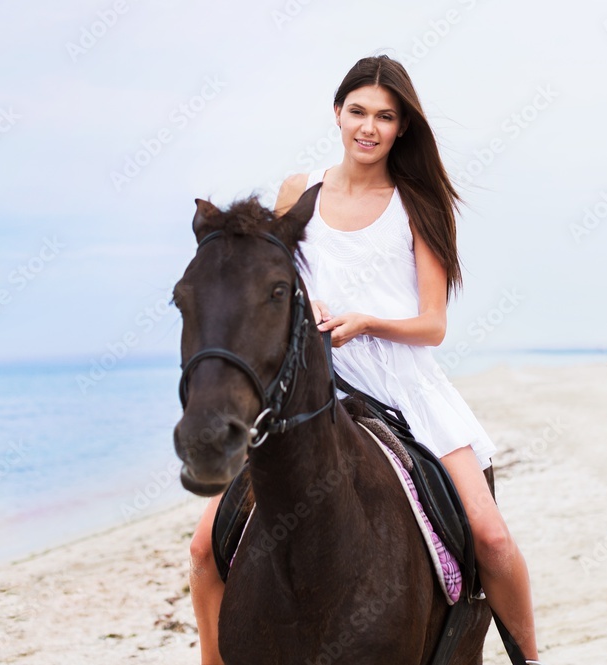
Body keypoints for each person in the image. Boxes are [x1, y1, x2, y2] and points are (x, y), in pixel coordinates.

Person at [188, 55, 542, 665]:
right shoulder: (298, 193)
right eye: (358, 112)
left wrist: (366, 320)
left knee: (491, 534)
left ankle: (530, 657)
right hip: (314, 384)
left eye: (385, 116)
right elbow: (273, 285)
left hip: (404, 384)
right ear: (337, 113)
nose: (368, 128)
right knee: (201, 548)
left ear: (403, 127)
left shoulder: (420, 204)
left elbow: (433, 324)